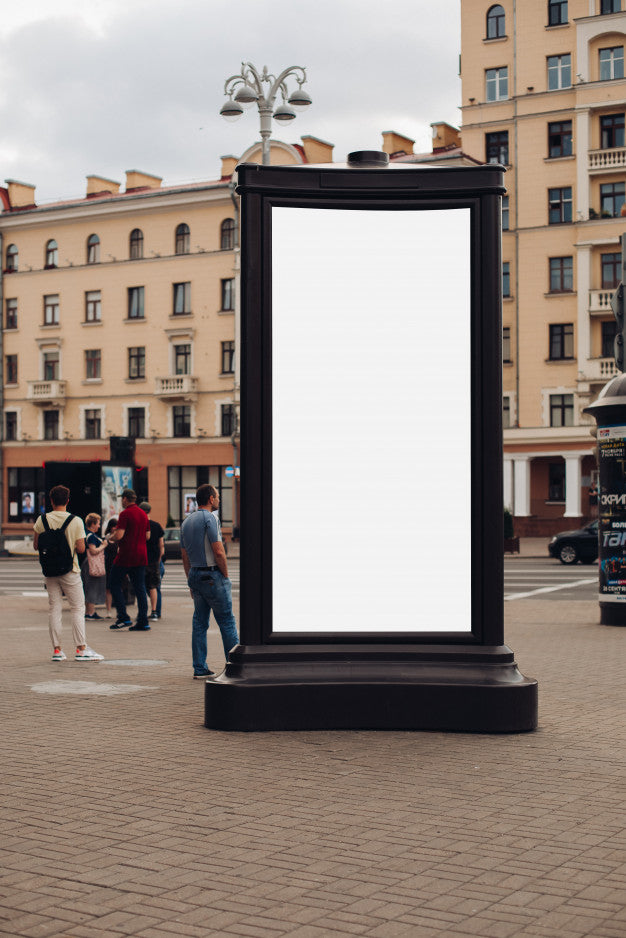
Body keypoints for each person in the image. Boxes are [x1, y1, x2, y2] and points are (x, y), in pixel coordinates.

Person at [33, 485, 103, 662]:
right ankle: (81, 649)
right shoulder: (76, 521)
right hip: (70, 570)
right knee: (78, 608)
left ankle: (57, 651)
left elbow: (36, 545)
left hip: (49, 571)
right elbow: (80, 549)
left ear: (51, 500)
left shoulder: (41, 520)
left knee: (54, 608)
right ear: (68, 500)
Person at [181, 483, 239, 679]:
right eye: (217, 496)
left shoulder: (186, 522)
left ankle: (199, 668)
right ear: (211, 499)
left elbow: (184, 556)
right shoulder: (210, 518)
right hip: (212, 576)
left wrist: (190, 579)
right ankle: (235, 666)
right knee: (227, 622)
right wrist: (225, 575)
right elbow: (218, 551)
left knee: (199, 622)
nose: (219, 499)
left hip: (195, 575)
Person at [109, 488, 151, 631]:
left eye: (122, 499)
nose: (122, 501)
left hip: (126, 555)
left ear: (125, 499)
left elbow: (119, 535)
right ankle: (143, 621)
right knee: (140, 588)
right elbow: (147, 536)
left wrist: (111, 537)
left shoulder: (125, 513)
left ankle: (123, 617)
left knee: (113, 583)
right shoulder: (143, 514)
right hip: (141, 555)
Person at [139, 502, 164, 621]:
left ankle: (142, 612)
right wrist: (158, 559)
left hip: (141, 560)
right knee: (153, 586)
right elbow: (161, 545)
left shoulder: (139, 525)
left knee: (141, 587)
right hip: (154, 560)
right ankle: (154, 612)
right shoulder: (157, 526)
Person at [83, 512, 107, 619]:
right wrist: (104, 546)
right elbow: (93, 551)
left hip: (87, 563)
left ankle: (88, 612)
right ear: (92, 524)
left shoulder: (87, 534)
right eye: (98, 523)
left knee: (89, 587)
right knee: (92, 586)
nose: (99, 525)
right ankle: (91, 612)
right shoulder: (91, 536)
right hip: (92, 564)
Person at [103, 518, 118, 617]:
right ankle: (108, 610)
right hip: (108, 565)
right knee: (108, 589)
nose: (115, 528)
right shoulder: (106, 538)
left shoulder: (119, 537)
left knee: (117, 589)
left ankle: (118, 610)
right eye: (113, 526)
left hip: (117, 564)